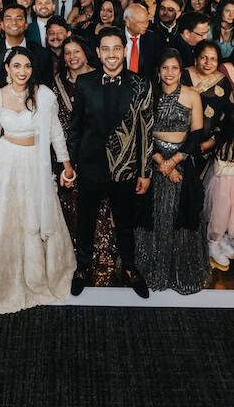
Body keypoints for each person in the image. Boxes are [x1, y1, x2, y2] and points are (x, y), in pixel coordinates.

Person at [0, 48, 76, 315]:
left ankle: (41, 274)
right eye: (16, 66)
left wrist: (66, 163)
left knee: (35, 213)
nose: (22, 71)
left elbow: (55, 132)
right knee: (6, 215)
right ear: (7, 69)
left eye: (26, 66)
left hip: (35, 162)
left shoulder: (44, 95)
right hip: (7, 161)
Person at [68, 28, 154, 298]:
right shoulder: (84, 82)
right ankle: (82, 268)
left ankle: (129, 267)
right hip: (90, 166)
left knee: (125, 221)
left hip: (126, 168)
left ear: (124, 50)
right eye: (106, 49)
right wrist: (70, 164)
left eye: (117, 48)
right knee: (86, 222)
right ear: (98, 53)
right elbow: (75, 128)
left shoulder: (141, 84)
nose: (112, 54)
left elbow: (145, 131)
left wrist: (145, 171)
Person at [135, 49, 208, 294]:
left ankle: (178, 270)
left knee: (181, 214)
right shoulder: (149, 94)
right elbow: (142, 133)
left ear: (181, 70)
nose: (169, 73)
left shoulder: (192, 95)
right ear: (158, 70)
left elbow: (196, 134)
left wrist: (174, 161)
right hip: (152, 158)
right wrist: (161, 164)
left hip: (182, 160)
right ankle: (149, 267)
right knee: (151, 214)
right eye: (165, 68)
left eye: (174, 68)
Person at [204, 107, 234, 276]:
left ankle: (223, 237)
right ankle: (213, 243)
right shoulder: (225, 146)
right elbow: (219, 171)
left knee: (232, 211)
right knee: (220, 214)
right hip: (223, 187)